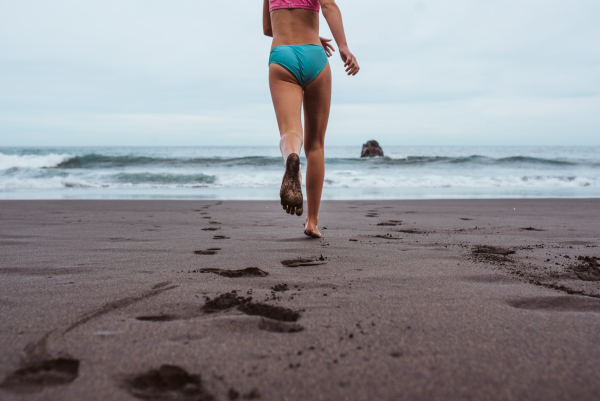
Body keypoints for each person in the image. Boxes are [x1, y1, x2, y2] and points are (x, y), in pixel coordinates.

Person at [263, 0, 359, 238]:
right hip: (314, 55)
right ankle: (312, 222)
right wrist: (343, 46)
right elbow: (329, 7)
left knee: (290, 131)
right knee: (316, 145)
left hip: (282, 55)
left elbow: (267, 29)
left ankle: (291, 159)